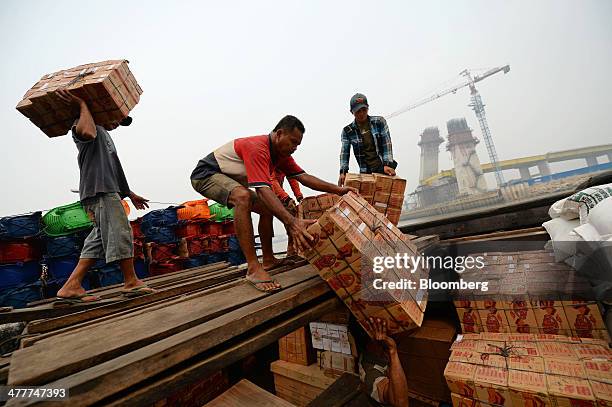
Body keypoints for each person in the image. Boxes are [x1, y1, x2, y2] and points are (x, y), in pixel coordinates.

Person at [190, 115, 356, 292]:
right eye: (292, 142)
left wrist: (339, 190)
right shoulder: (258, 148)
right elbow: (263, 189)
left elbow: (304, 177)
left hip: (230, 180)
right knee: (242, 197)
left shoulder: (281, 155)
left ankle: (268, 259)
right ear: (279, 134)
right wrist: (291, 222)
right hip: (205, 175)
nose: (294, 148)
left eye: (298, 145)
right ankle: (253, 268)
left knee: (267, 207)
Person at [54, 89, 154, 304]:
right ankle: (130, 281)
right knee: (120, 231)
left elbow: (114, 168)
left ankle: (71, 286)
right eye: (116, 117)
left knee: (98, 239)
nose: (117, 122)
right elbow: (87, 133)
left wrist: (129, 193)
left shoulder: (105, 134)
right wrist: (82, 104)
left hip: (105, 190)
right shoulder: (83, 127)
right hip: (99, 191)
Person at [338, 93, 397, 186]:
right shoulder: (348, 131)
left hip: (382, 167)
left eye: (364, 110)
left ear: (368, 108)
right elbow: (345, 153)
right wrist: (343, 172)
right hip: (365, 172)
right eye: (358, 111)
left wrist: (387, 164)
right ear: (352, 112)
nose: (361, 113)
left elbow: (387, 144)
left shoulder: (379, 122)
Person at [357, 317, 410, 407]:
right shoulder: (369, 373)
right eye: (382, 327)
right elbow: (401, 403)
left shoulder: (381, 350)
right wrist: (392, 351)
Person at [270, 168, 303, 257]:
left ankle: (292, 248)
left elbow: (292, 178)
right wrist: (286, 198)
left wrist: (299, 196)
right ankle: (269, 255)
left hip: (277, 193)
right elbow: (272, 180)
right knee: (267, 218)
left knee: (292, 212)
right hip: (266, 192)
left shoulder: (284, 162)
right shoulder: (270, 161)